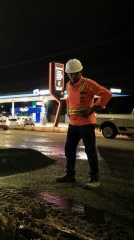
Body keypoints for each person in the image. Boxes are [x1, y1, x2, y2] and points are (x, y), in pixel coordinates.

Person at [56, 59, 112, 188]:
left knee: (90, 151)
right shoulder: (68, 85)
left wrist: (92, 109)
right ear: (67, 74)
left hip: (86, 123)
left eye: (76, 73)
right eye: (71, 73)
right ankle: (70, 174)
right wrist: (67, 110)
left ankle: (94, 179)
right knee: (69, 149)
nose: (74, 76)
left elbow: (107, 94)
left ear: (81, 71)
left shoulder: (88, 83)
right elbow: (69, 99)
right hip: (73, 124)